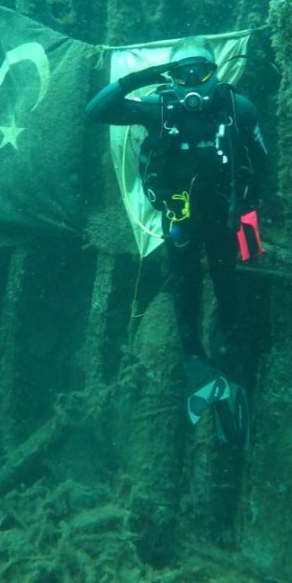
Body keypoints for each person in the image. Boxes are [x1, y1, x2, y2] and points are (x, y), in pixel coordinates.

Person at [85, 37, 267, 448]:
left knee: (227, 287)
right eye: (181, 74)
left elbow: (261, 163)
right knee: (185, 286)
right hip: (180, 219)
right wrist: (142, 77)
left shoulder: (238, 108)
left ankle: (223, 354)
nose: (190, 84)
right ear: (173, 77)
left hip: (225, 220)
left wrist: (249, 211)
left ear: (213, 72)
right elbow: (95, 111)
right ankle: (194, 360)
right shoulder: (159, 106)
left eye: (199, 73)